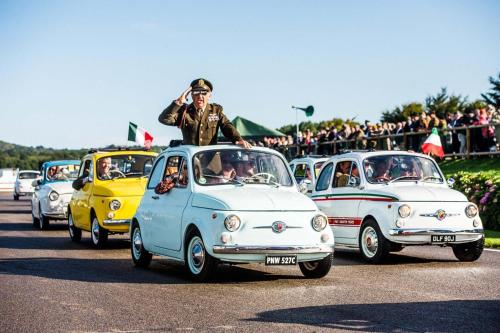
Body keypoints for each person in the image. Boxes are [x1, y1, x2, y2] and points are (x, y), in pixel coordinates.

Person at [158, 78, 252, 148]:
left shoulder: (216, 110)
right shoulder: (184, 111)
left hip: (211, 165)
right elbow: (164, 119)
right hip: (190, 161)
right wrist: (179, 102)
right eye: (196, 93)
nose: (200, 96)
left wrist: (238, 139)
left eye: (204, 93)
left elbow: (227, 126)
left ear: (210, 95)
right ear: (191, 95)